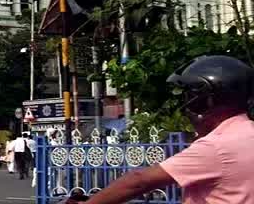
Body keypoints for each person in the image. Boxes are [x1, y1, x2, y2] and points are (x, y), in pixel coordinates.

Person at [73, 55, 254, 204]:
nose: (187, 105)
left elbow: (138, 182)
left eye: (191, 97)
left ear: (208, 101)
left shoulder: (216, 147)